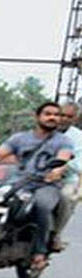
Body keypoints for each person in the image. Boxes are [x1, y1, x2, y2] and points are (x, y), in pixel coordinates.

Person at [0, 101, 74, 270]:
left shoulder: (63, 141)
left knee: (42, 206)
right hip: (20, 183)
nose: (52, 118)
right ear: (37, 117)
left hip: (46, 184)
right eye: (48, 114)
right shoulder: (19, 138)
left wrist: (57, 170)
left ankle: (39, 253)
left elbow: (63, 158)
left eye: (56, 115)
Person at [53, 99, 82, 249]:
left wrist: (63, 167)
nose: (64, 119)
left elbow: (79, 164)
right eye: (62, 115)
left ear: (75, 118)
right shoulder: (45, 130)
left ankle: (56, 234)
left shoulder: (78, 138)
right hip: (38, 177)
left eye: (69, 117)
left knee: (66, 196)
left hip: (65, 179)